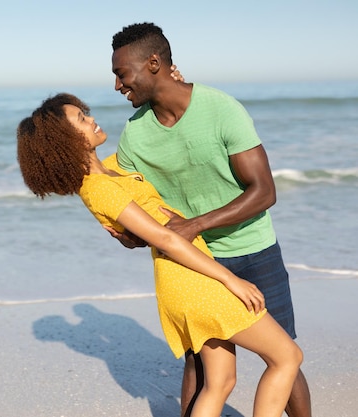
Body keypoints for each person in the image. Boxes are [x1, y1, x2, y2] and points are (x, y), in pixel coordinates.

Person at [16, 92, 302, 417]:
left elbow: (153, 185)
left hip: (191, 273)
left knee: (220, 381)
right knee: (287, 356)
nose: (91, 118)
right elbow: (166, 238)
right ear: (64, 140)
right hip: (193, 281)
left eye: (85, 113)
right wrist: (231, 279)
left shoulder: (111, 171)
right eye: (81, 119)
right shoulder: (97, 188)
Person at [108, 22, 311, 417]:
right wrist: (130, 234)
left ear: (154, 64)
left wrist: (194, 224)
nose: (118, 85)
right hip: (193, 264)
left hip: (253, 251)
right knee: (201, 367)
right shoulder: (133, 136)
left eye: (121, 73)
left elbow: (263, 191)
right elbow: (139, 209)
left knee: (284, 353)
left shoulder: (220, 109)